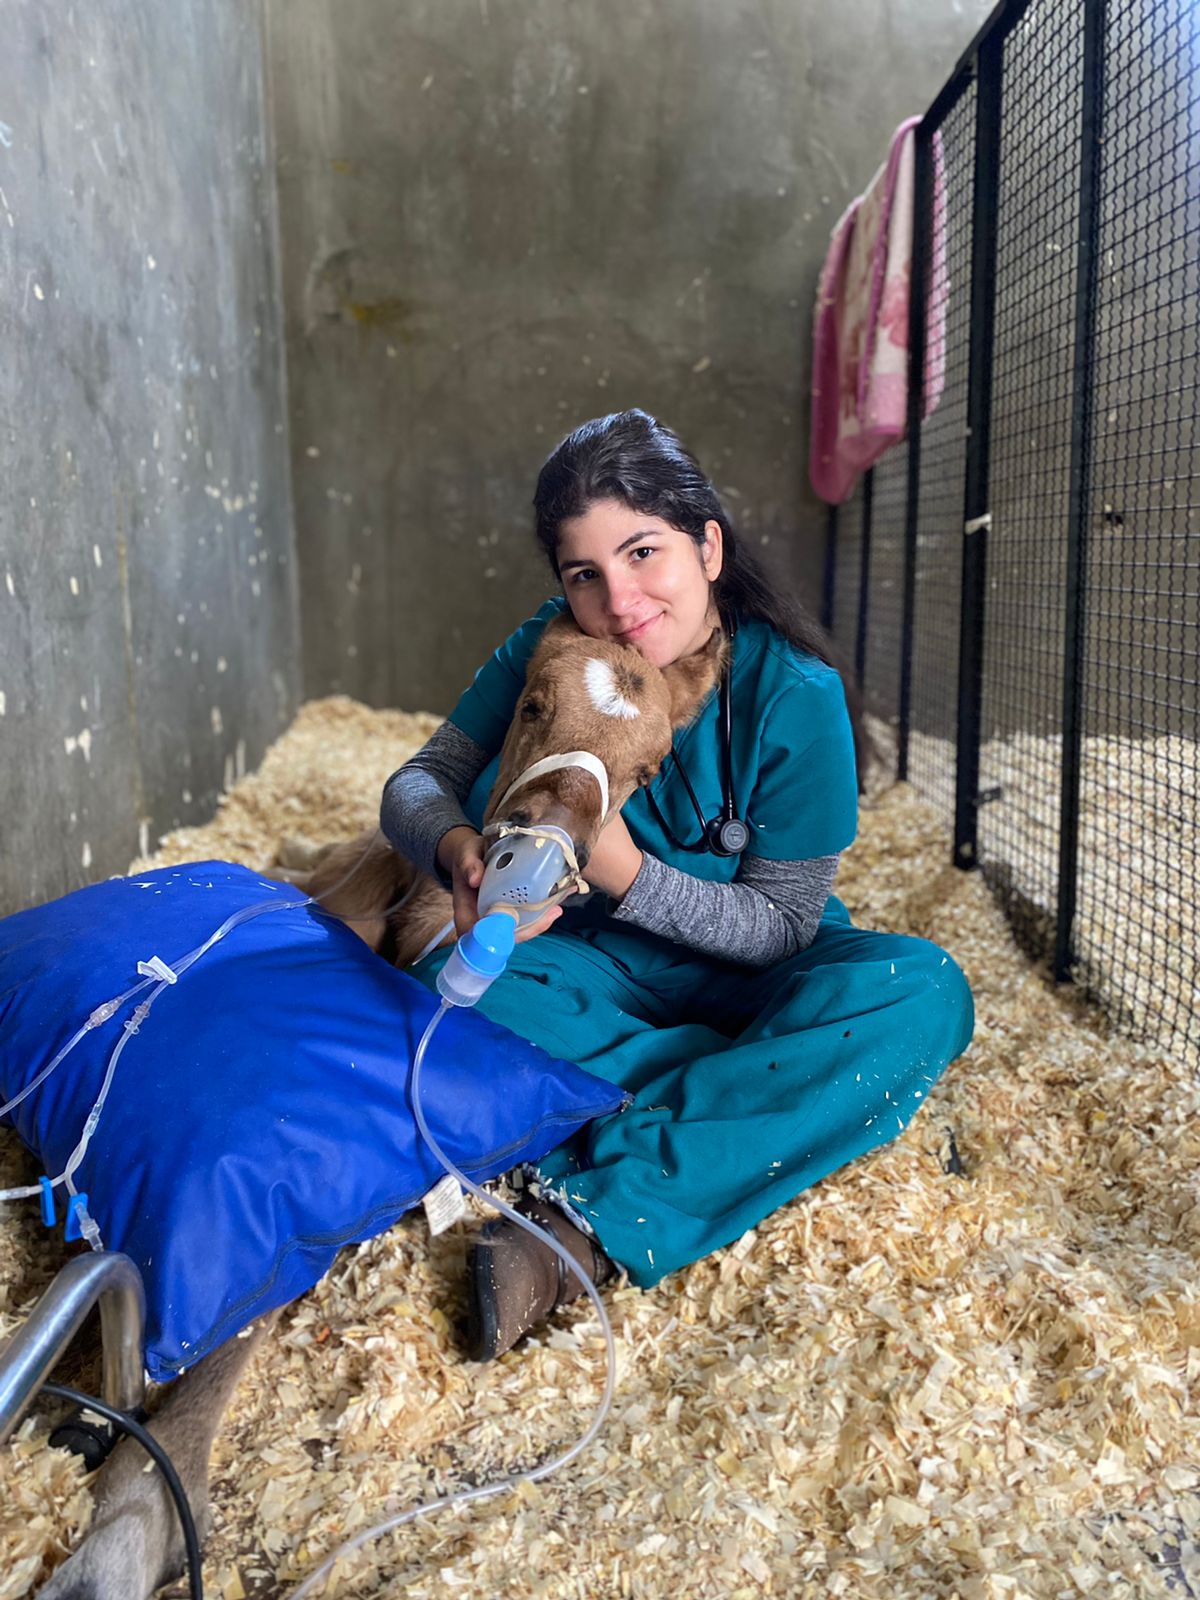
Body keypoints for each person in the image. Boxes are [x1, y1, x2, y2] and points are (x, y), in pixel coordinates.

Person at [381, 409, 974, 1361]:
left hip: (756, 975)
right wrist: (455, 850)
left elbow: (782, 926)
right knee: (433, 1009)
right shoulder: (552, 647)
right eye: (585, 574)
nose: (620, 600)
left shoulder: (796, 690)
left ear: (707, 546)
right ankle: (756, 1102)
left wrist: (622, 869)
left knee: (924, 993)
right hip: (591, 969)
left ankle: (585, 1225)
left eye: (643, 552)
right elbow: (418, 779)